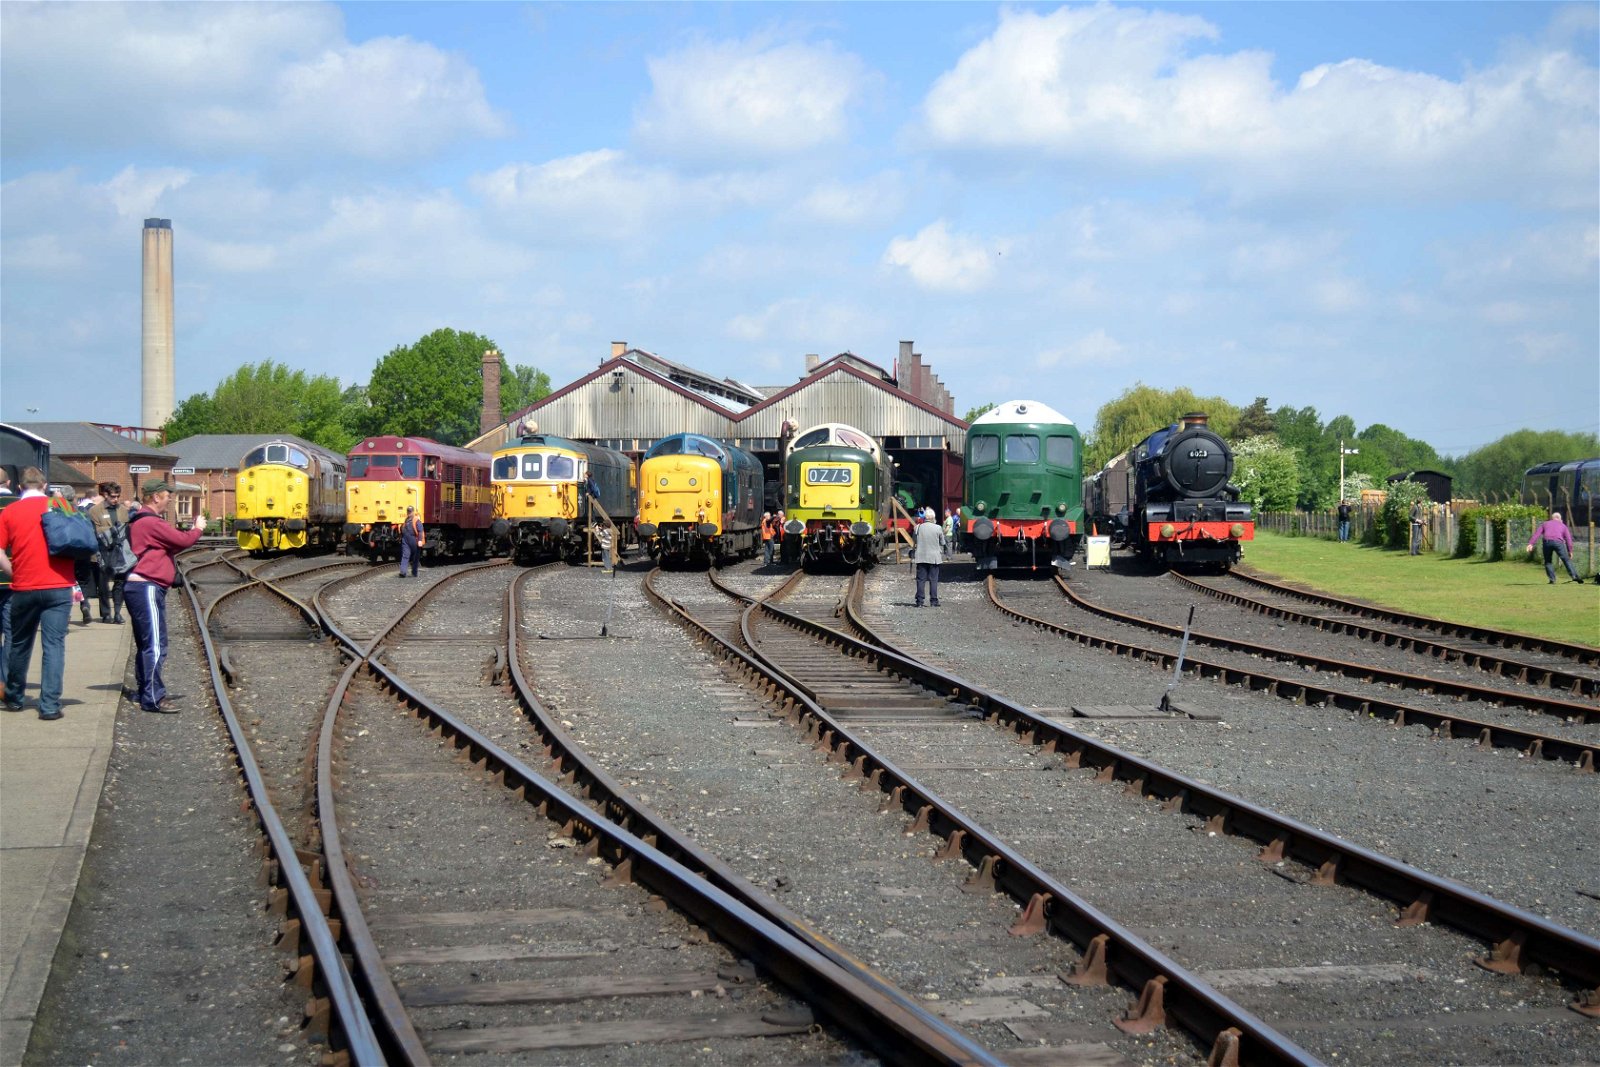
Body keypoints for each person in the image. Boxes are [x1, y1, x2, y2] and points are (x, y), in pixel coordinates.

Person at [124, 479, 207, 714]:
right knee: (155, 644)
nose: (170, 499)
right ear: (155, 497)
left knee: (146, 644)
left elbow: (170, 544)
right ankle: (152, 698)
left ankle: (146, 691)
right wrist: (198, 527)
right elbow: (183, 540)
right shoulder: (150, 522)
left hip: (142, 586)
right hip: (146, 586)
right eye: (167, 495)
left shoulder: (142, 520)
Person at [0, 467, 76, 720]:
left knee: (20, 644)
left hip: (24, 587)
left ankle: (14, 698)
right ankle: (50, 705)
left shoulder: (9, 512)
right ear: (45, 485)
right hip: (58, 586)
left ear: (20, 487)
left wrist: (14, 573)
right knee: (54, 645)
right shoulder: (61, 505)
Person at [88, 482, 131, 623]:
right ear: (105, 495)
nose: (116, 499)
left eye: (118, 496)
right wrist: (111, 530)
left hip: (119, 553)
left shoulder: (123, 510)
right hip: (102, 553)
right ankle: (106, 613)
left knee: (119, 582)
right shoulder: (95, 511)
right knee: (104, 585)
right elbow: (94, 530)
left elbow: (126, 529)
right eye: (113, 496)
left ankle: (118, 612)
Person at [1527, 510, 1584, 585]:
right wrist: (1570, 551)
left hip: (1547, 542)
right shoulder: (1563, 526)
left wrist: (1531, 543)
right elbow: (1568, 539)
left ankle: (1552, 579)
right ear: (1560, 519)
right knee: (1566, 560)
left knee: (1548, 561)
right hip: (1558, 543)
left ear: (1552, 518)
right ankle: (1574, 576)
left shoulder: (1545, 524)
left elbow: (1537, 534)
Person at [912, 507, 946, 607]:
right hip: (934, 558)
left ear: (925, 517)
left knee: (921, 580)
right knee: (933, 580)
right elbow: (942, 542)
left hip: (921, 557)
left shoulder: (917, 527)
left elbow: (914, 541)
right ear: (933, 518)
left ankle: (919, 602)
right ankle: (934, 601)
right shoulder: (938, 528)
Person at [398, 506, 423, 577]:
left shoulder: (416, 520)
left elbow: (420, 530)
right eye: (408, 511)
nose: (409, 513)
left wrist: (420, 540)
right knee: (406, 556)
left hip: (414, 539)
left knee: (415, 557)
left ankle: (414, 572)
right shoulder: (406, 520)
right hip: (406, 540)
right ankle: (403, 572)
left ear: (413, 512)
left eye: (410, 511)